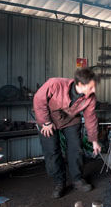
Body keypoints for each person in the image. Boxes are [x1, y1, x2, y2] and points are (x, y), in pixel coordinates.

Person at [33, 67, 102, 198]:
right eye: (91, 87)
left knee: (76, 149)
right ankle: (59, 183)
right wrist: (45, 122)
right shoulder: (55, 84)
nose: (94, 90)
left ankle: (77, 180)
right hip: (49, 120)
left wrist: (94, 141)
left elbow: (90, 118)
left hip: (71, 121)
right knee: (52, 151)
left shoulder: (90, 98)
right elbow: (38, 100)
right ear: (80, 85)